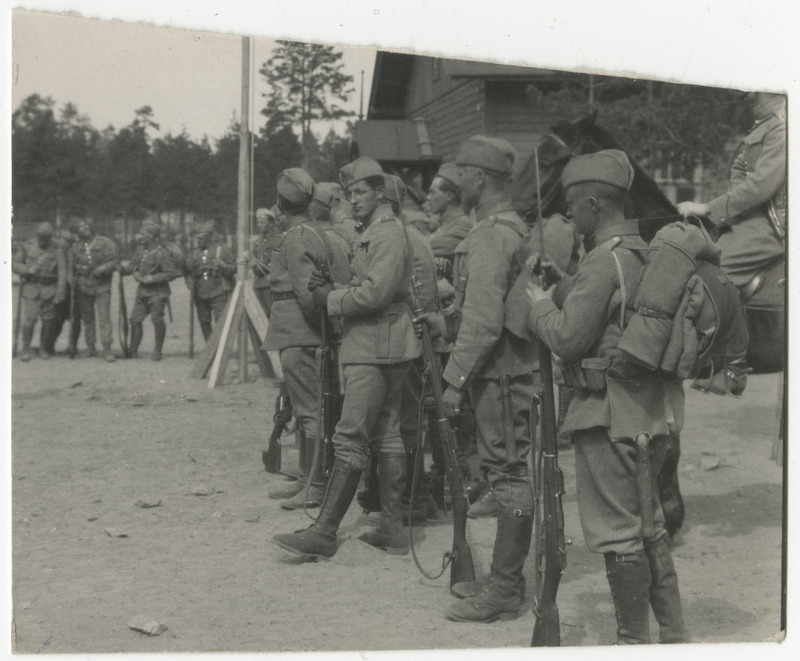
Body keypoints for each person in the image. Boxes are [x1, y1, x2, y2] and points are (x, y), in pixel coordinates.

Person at [526, 150, 689, 644]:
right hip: (651, 414)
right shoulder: (643, 253)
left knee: (618, 531)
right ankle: (674, 637)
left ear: (594, 204)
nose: (569, 216)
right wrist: (561, 291)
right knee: (650, 525)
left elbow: (569, 339)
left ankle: (632, 642)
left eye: (573, 206)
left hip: (605, 414)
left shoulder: (603, 261)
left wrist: (537, 307)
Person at [272, 156, 418, 558]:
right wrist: (335, 286)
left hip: (374, 345)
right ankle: (391, 528)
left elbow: (374, 293)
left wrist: (328, 298)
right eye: (350, 193)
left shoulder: (387, 234)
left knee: (350, 435)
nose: (352, 200)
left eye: (360, 192)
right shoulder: (378, 231)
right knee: (386, 434)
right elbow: (369, 283)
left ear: (380, 193)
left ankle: (324, 532)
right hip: (386, 342)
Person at [428, 136, 537, 623]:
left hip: (503, 375)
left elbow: (485, 323)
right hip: (498, 372)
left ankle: (505, 590)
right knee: (502, 473)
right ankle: (501, 580)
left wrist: (453, 380)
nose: (457, 181)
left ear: (479, 178)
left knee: (509, 478)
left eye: (462, 173)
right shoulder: (498, 229)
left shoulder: (493, 234)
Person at [262, 170, 351, 510]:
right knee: (306, 409)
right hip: (305, 330)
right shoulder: (317, 230)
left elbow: (305, 293)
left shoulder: (297, 235)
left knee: (311, 412)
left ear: (281, 204)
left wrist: (320, 331)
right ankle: (306, 476)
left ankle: (314, 485)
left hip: (299, 332)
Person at [677, 92, 786, 289]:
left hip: (773, 226)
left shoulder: (783, 124)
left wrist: (707, 208)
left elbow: (761, 185)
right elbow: (742, 182)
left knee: (712, 273)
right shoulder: (765, 121)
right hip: (748, 218)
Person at [120, 221, 181, 361]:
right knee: (135, 320)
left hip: (158, 293)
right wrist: (123, 270)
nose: (140, 236)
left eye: (143, 234)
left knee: (156, 319)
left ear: (153, 236)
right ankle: (133, 351)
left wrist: (152, 278)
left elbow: (171, 273)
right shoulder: (140, 250)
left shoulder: (162, 253)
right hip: (142, 292)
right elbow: (133, 265)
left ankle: (157, 351)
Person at [12, 222, 67, 361]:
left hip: (50, 288)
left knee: (48, 321)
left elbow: (62, 272)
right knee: (29, 320)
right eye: (40, 237)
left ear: (50, 237)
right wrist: (27, 269)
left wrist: (60, 292)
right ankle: (26, 349)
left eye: (46, 238)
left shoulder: (57, 249)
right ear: (37, 235)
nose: (43, 240)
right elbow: (15, 264)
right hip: (31, 287)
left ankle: (43, 348)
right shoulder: (27, 246)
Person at [69, 219, 119, 362]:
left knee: (104, 318)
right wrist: (75, 274)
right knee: (88, 318)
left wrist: (104, 268)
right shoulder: (75, 247)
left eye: (85, 225)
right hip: (83, 286)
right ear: (76, 232)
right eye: (80, 227)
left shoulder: (105, 242)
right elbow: (71, 267)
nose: (84, 228)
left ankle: (107, 349)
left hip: (102, 285)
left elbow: (115, 260)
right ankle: (91, 347)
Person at [185, 220, 236, 341]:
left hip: (218, 291)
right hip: (200, 292)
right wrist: (188, 281)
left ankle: (220, 348)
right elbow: (186, 270)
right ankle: (209, 349)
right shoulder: (194, 253)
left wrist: (223, 266)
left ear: (210, 237)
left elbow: (234, 268)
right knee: (204, 321)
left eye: (201, 238)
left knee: (220, 320)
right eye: (197, 238)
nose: (198, 241)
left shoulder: (222, 250)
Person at [46, 224, 80, 355]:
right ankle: (50, 345)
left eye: (65, 241)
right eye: (60, 239)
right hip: (59, 292)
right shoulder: (54, 252)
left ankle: (72, 346)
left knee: (75, 320)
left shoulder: (74, 253)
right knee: (56, 320)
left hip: (73, 292)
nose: (62, 242)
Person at [251, 208, 282, 318]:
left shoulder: (278, 240)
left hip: (270, 284)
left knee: (272, 316)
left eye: (263, 222)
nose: (259, 225)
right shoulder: (257, 242)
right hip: (258, 284)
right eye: (258, 222)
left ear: (271, 223)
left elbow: (280, 262)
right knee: (259, 316)